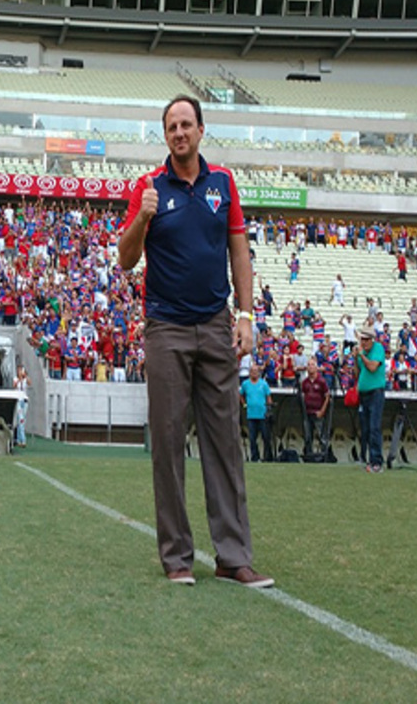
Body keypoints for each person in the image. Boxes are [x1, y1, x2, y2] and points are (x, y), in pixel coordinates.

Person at [117, 94, 273, 589]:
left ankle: (232, 556)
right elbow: (125, 260)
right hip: (165, 328)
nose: (179, 133)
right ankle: (177, 558)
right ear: (164, 136)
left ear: (201, 130)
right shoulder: (147, 187)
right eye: (171, 126)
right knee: (167, 443)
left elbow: (238, 251)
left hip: (215, 323)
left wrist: (246, 316)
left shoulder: (223, 183)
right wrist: (142, 217)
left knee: (224, 443)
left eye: (186, 124)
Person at [355, 325, 386, 473]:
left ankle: (377, 461)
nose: (363, 343)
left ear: (371, 340)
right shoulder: (364, 354)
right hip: (364, 393)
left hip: (375, 393)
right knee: (365, 428)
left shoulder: (378, 349)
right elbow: (359, 371)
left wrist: (361, 355)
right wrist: (356, 358)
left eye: (366, 340)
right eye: (362, 340)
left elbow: (372, 367)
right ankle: (366, 457)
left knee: (374, 427)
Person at [240, 365, 273, 463]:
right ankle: (255, 457)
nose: (254, 373)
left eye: (256, 371)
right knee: (252, 438)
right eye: (252, 371)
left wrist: (269, 409)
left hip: (263, 415)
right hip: (251, 415)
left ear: (259, 372)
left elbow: (268, 397)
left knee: (266, 437)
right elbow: (241, 395)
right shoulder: (245, 384)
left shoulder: (264, 384)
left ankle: (267, 457)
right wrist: (244, 404)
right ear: (249, 373)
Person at [300, 359, 330, 458]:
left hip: (318, 412)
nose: (310, 367)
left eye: (312, 365)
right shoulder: (304, 382)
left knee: (321, 435)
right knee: (308, 435)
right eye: (308, 365)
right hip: (307, 412)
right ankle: (309, 455)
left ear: (316, 367)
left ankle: (324, 455)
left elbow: (327, 396)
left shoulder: (321, 381)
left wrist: (322, 411)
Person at [12, 364, 31, 447]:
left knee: (22, 421)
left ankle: (19, 439)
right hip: (19, 400)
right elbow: (14, 386)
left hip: (25, 400)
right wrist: (20, 379)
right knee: (21, 420)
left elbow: (29, 383)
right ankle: (23, 440)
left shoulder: (25, 379)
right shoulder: (15, 378)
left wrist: (25, 376)